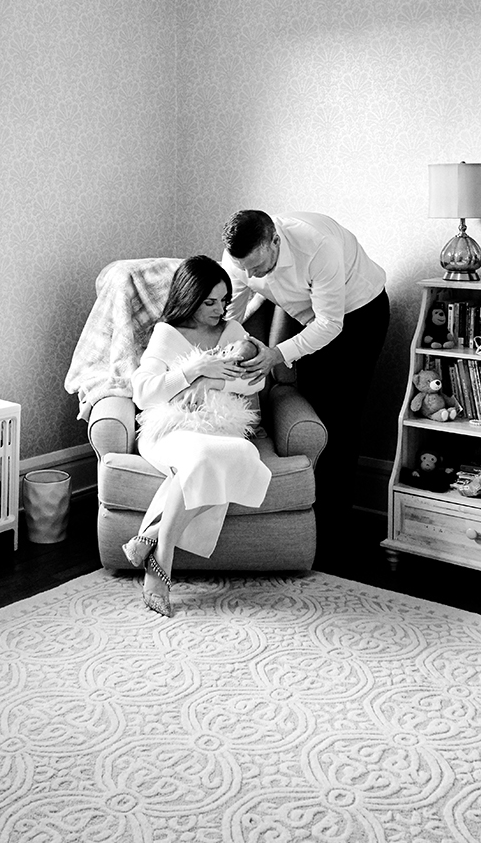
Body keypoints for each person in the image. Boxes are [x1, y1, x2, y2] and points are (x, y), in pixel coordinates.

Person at [220, 209, 389, 543]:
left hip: (358, 315)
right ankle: (304, 510)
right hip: (302, 312)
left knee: (340, 414)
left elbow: (329, 324)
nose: (251, 275)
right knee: (310, 410)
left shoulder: (317, 245)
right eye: (244, 269)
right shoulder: (237, 258)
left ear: (275, 241)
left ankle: (334, 524)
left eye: (257, 266)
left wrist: (276, 355)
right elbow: (232, 313)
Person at [125, 256, 272, 618]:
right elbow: (144, 394)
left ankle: (151, 536)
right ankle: (163, 560)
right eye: (210, 302)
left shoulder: (232, 331)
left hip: (218, 426)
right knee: (204, 460)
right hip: (170, 428)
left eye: (223, 300)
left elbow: (257, 380)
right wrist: (194, 369)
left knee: (243, 456)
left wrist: (213, 380)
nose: (219, 309)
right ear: (189, 298)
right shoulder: (167, 334)